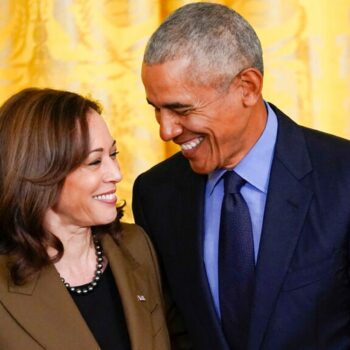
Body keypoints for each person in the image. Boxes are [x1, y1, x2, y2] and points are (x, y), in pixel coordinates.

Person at [132, 2, 350, 350]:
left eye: (180, 108)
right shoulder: (155, 193)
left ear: (247, 87)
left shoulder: (342, 177)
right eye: (156, 109)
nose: (166, 130)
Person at [0, 88, 170, 350]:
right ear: (41, 173)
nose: (116, 173)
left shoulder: (137, 245)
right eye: (94, 162)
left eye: (112, 155)